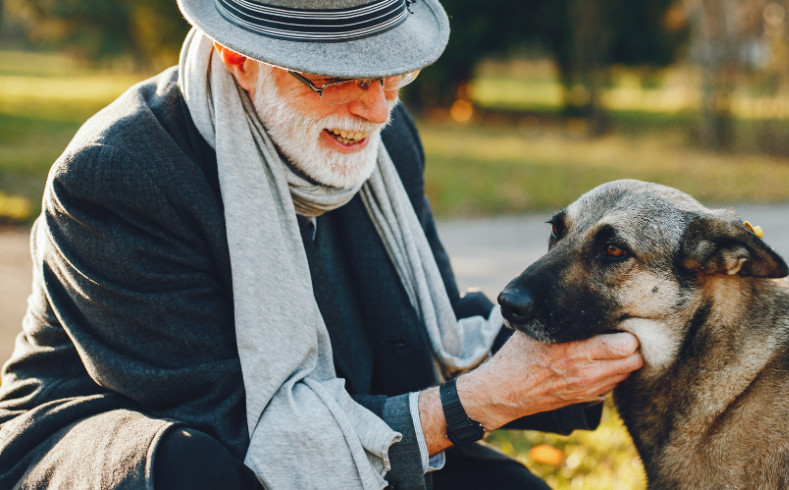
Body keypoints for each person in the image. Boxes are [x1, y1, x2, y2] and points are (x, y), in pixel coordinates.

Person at [0, 0, 644, 488]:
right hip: (150, 446)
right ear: (240, 60)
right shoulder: (119, 174)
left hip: (342, 416)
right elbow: (237, 433)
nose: (375, 107)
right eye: (338, 76)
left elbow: (423, 341)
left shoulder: (385, 139)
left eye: (392, 72)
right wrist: (486, 398)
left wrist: (589, 343)